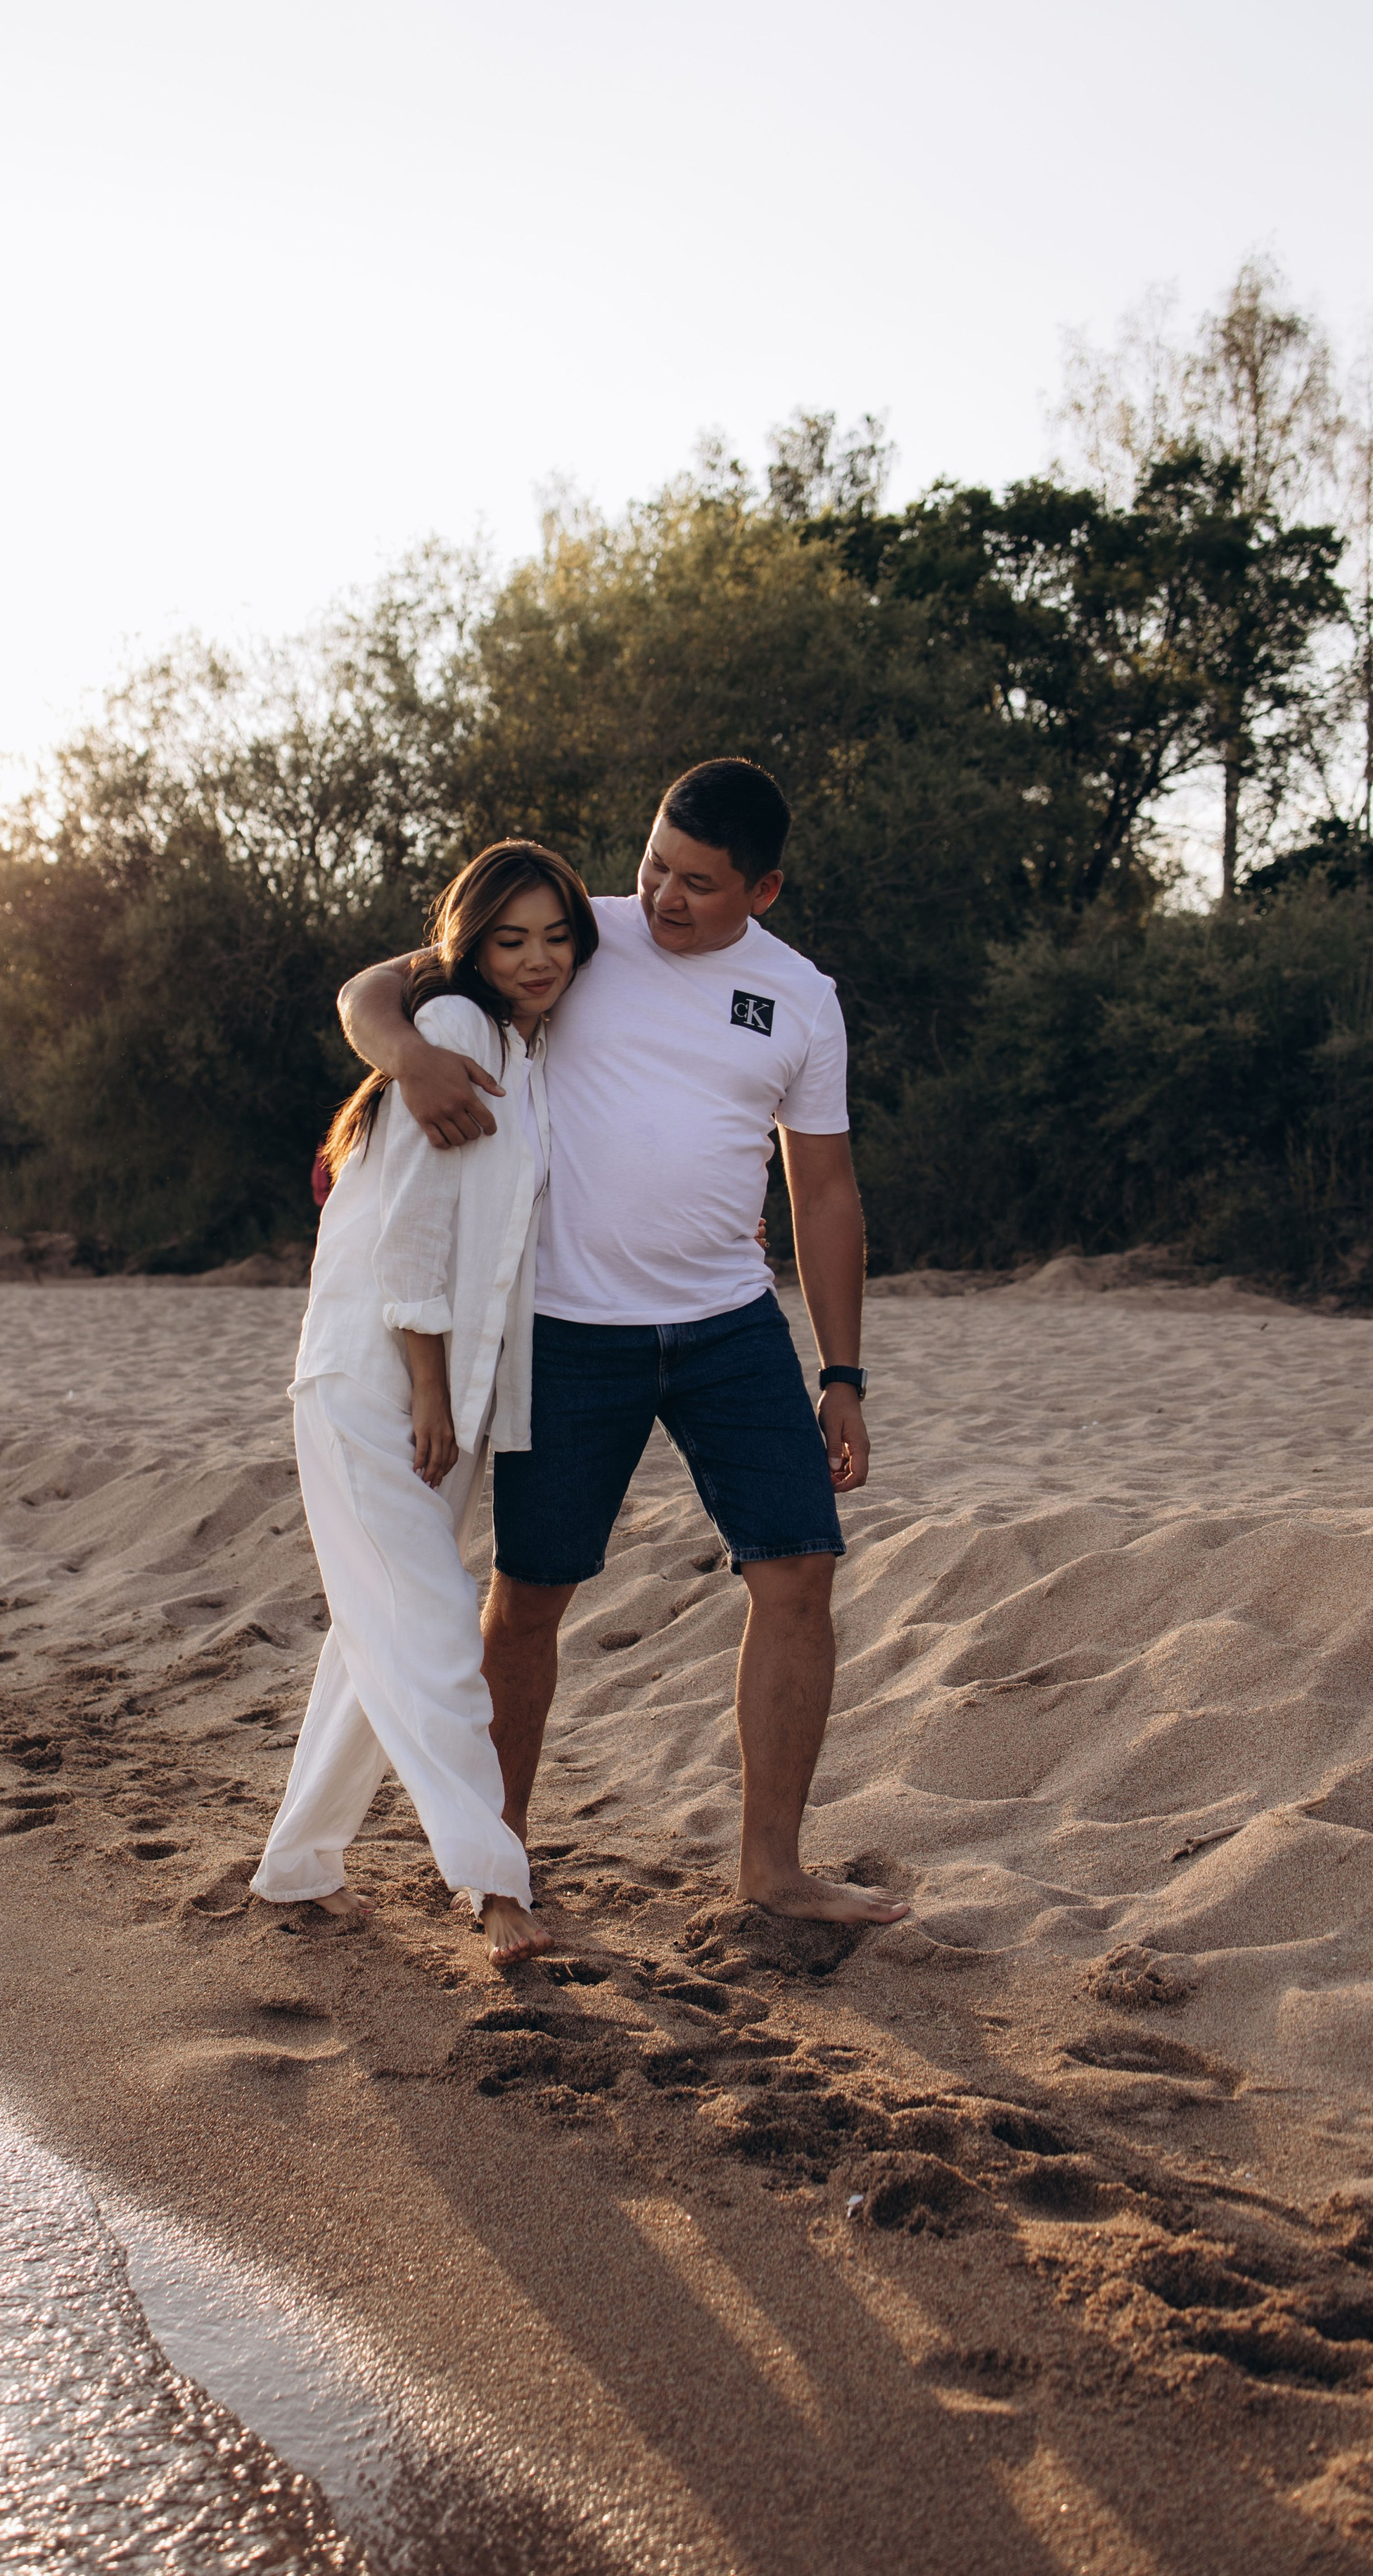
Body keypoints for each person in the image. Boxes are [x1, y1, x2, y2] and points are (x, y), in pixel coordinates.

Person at [338, 759, 908, 1929]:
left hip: (730, 1327)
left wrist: (841, 1372)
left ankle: (773, 1871)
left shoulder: (802, 999)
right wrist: (408, 1056)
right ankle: (500, 1874)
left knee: (799, 1571)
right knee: (531, 1597)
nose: (661, 897)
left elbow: (827, 1189)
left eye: (697, 884)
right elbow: (368, 992)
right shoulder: (572, 936)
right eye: (654, 864)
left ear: (766, 890)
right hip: (566, 1328)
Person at [252, 840, 599, 1966]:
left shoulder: (517, 1047)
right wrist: (430, 1387)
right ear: (471, 945)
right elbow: (412, 1228)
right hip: (381, 1383)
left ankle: (299, 1868)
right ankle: (495, 1884)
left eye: (556, 937)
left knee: (374, 1640)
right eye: (512, 939)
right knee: (438, 1630)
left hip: (453, 1393)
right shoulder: (451, 1033)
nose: (539, 958)